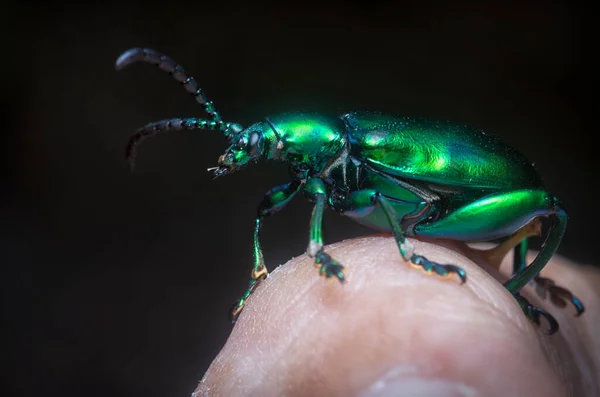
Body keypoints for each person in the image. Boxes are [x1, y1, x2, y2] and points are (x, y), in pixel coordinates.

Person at [195, 237, 599, 396]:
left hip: (467, 187)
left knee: (542, 209)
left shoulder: (352, 158)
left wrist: (407, 253)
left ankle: (528, 287)